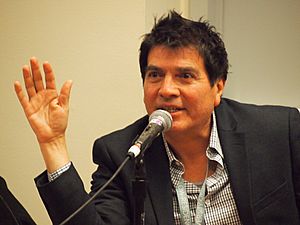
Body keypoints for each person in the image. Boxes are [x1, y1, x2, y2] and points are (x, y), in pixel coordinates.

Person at [14, 10, 300, 225]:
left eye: (184, 76)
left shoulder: (279, 132)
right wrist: (53, 143)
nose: (166, 90)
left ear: (218, 87)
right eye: (155, 75)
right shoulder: (121, 154)